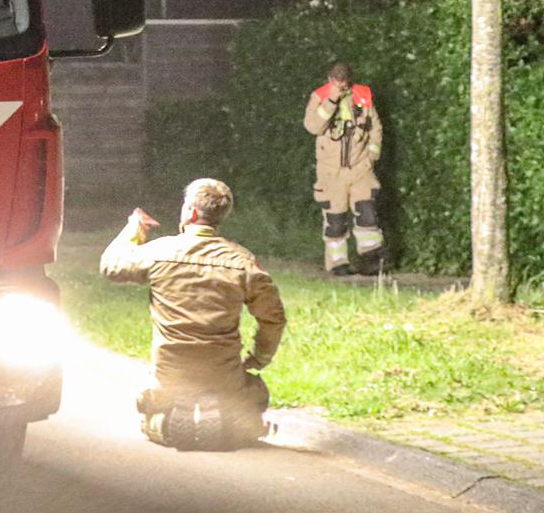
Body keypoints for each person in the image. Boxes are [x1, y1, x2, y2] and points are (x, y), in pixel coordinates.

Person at [99, 178, 286, 451]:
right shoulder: (242, 261)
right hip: (222, 373)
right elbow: (273, 317)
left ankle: (162, 423)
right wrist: (258, 358)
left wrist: (134, 230)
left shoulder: (160, 251)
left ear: (191, 212)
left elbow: (111, 266)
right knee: (256, 395)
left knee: (150, 408)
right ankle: (235, 422)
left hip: (170, 371)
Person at [303, 61, 386, 276]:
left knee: (367, 213)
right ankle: (337, 262)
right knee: (335, 219)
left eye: (344, 81)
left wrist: (372, 155)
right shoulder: (320, 97)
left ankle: (370, 259)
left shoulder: (362, 95)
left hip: (361, 168)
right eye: (337, 80)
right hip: (331, 171)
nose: (341, 84)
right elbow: (313, 126)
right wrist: (331, 100)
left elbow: (375, 127)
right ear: (330, 79)